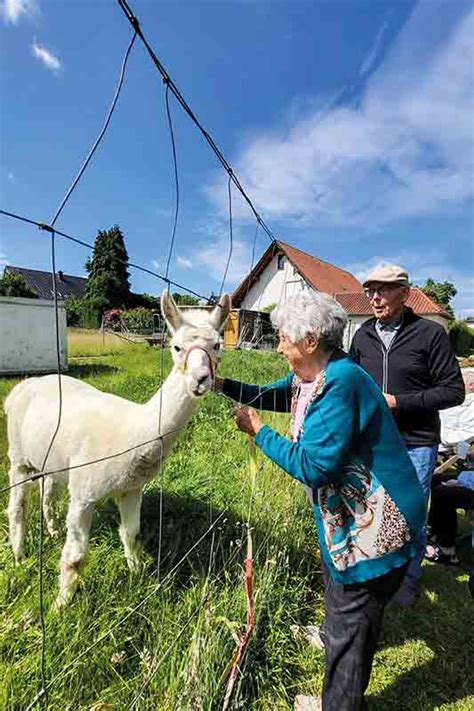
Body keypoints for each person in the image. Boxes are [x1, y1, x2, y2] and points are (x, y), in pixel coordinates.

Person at [215, 291, 425, 711]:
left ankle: (340, 703)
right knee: (343, 600)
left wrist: (260, 432)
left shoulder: (341, 382)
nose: (277, 346)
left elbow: (315, 467)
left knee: (354, 619)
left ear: (310, 340)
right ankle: (337, 657)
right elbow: (277, 396)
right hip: (353, 519)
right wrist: (221, 386)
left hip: (376, 526)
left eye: (283, 338)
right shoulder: (311, 377)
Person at [349, 265, 465, 604]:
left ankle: (407, 580)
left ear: (404, 292)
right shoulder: (363, 335)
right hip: (370, 441)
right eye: (370, 290)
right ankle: (374, 572)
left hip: (416, 442)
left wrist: (399, 402)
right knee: (371, 509)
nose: (374, 297)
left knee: (410, 513)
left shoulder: (430, 334)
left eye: (383, 290)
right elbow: (351, 381)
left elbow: (453, 391)